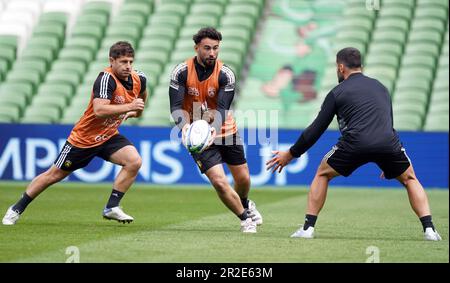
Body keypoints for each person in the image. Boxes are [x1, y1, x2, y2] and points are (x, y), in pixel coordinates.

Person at [266, 47, 442, 241]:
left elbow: (316, 129)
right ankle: (430, 230)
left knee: (323, 174)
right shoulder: (381, 87)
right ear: (361, 66)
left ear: (341, 68)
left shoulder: (337, 92)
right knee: (410, 179)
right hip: (387, 143)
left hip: (355, 143)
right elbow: (387, 123)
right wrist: (387, 160)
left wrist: (291, 154)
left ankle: (307, 229)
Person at [2, 41, 148, 225]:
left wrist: (136, 111)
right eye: (123, 62)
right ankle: (16, 208)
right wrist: (130, 106)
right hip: (84, 140)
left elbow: (142, 95)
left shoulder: (139, 78)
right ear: (112, 60)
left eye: (130, 62)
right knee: (53, 175)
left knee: (134, 161)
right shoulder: (106, 79)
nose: (128, 66)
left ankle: (112, 207)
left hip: (109, 135)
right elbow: (99, 110)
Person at [169, 27, 262, 233]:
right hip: (197, 135)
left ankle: (245, 202)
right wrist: (185, 129)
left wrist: (213, 130)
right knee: (219, 182)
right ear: (196, 48)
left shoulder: (226, 74)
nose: (212, 53)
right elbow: (176, 108)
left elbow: (221, 109)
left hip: (226, 131)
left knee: (243, 179)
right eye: (207, 48)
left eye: (216, 48)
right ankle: (245, 219)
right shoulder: (181, 72)